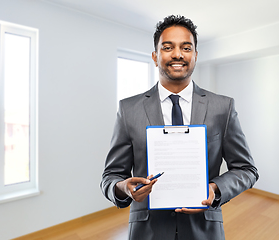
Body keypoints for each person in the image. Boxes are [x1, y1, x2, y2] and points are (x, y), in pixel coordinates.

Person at [101, 15, 259, 240]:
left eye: (186, 47)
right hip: (147, 231)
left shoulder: (222, 107)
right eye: (168, 47)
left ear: (195, 56)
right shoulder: (129, 109)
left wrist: (215, 189)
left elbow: (246, 169)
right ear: (156, 57)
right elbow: (111, 176)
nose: (177, 54)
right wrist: (124, 187)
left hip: (204, 230)